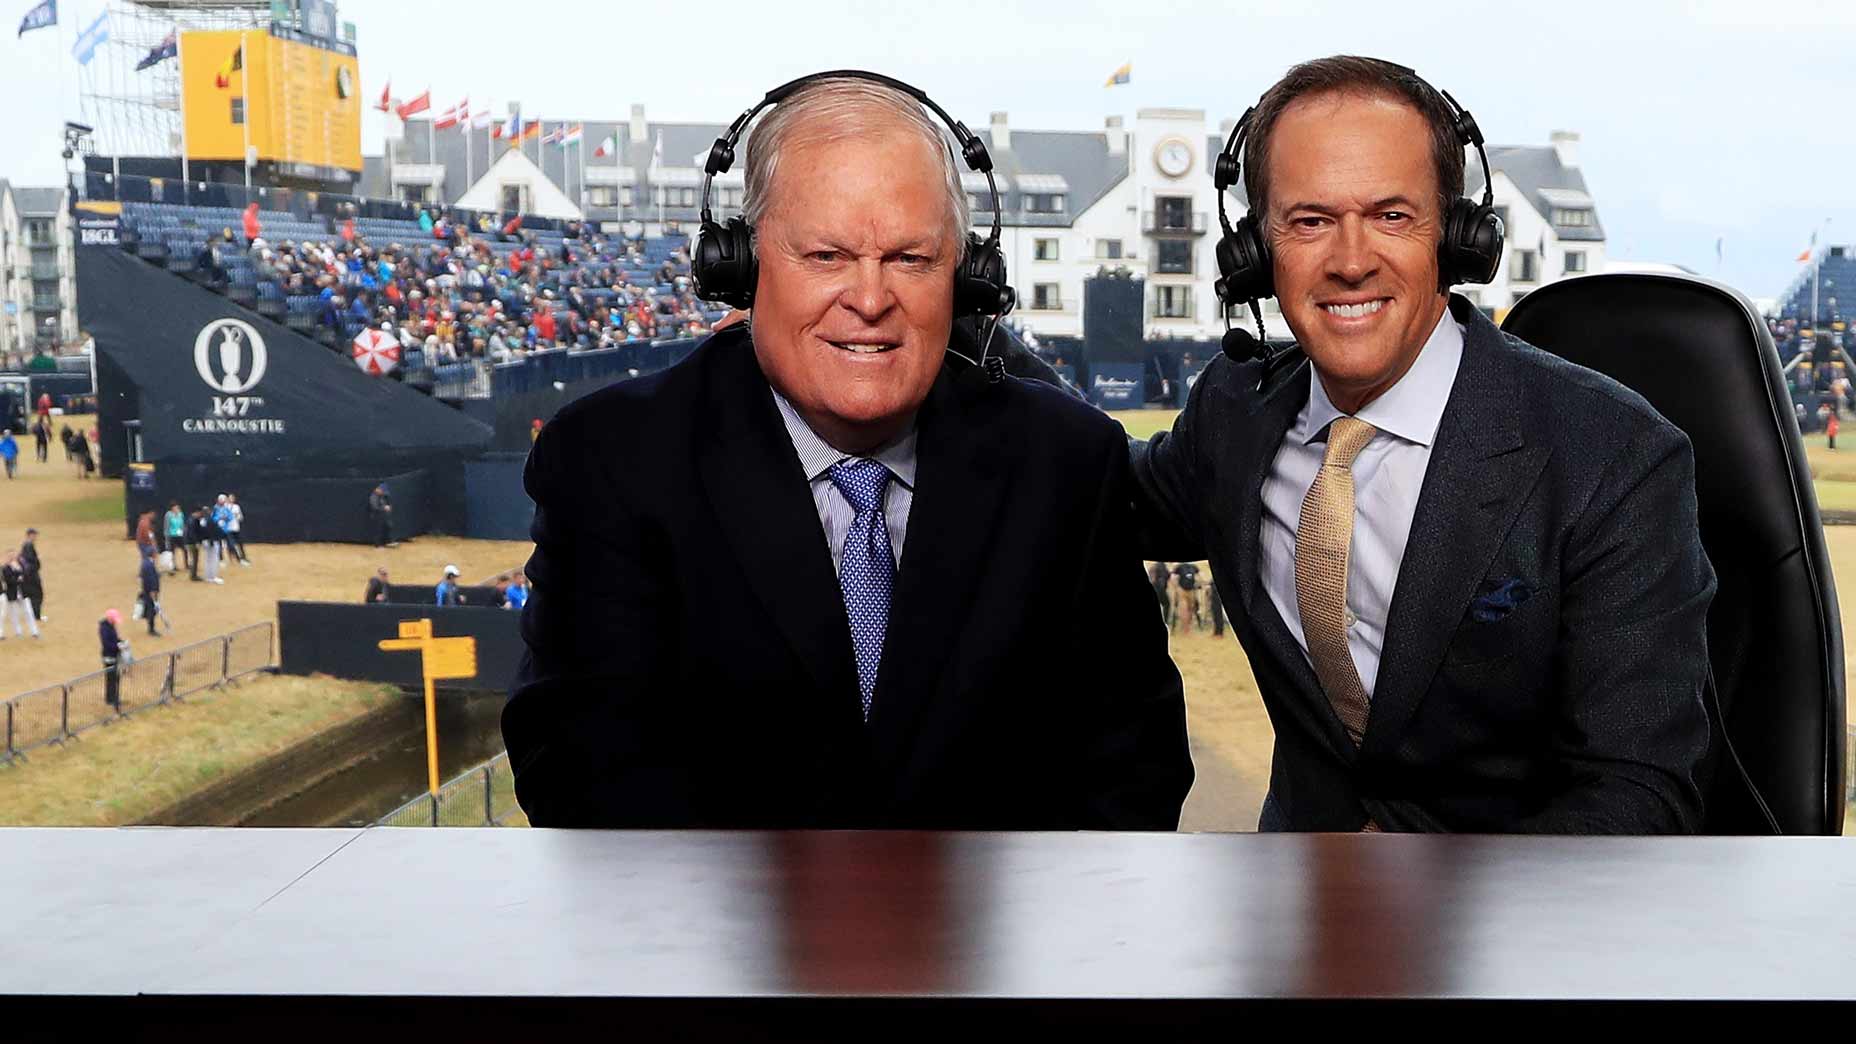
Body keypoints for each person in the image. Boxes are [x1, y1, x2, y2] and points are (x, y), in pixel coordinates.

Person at [504, 73, 1192, 830]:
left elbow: (1134, 768)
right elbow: (580, 771)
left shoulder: (1066, 464)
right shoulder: (613, 461)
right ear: (742, 265)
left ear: (965, 276)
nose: (869, 299)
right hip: (711, 911)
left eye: (909, 258)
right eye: (827, 255)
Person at [1131, 57, 1712, 834]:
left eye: (1392, 216)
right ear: (1254, 252)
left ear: (1458, 239)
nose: (1351, 260)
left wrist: (1430, 891)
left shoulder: (1615, 458)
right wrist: (965, 328)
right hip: (1297, 893)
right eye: (1309, 221)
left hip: (1527, 903)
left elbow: (1641, 796)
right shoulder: (1233, 413)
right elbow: (1077, 472)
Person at [0, 551, 37, 639]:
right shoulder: (5, 568)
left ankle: (34, 631)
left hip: (23, 593)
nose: (12, 557)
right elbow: (9, 580)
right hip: (12, 594)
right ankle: (18, 632)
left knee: (28, 612)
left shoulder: (21, 566)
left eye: (13, 555)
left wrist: (19, 571)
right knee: (14, 614)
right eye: (10, 556)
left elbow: (26, 576)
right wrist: (18, 576)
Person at [99, 609, 125, 711]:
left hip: (114, 655)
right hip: (109, 656)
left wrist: (121, 641)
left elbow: (114, 638)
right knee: (111, 678)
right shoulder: (104, 629)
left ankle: (114, 696)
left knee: (115, 677)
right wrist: (117, 647)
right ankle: (110, 698)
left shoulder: (111, 626)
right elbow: (106, 643)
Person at [18, 528, 44, 625]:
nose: (36, 536)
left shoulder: (26, 545)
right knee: (37, 595)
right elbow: (30, 560)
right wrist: (37, 560)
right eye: (34, 534)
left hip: (28, 575)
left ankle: (33, 615)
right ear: (29, 535)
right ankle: (36, 616)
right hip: (31, 576)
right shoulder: (28, 545)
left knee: (32, 595)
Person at [138, 548, 163, 637]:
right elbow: (150, 579)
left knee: (152, 608)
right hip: (150, 591)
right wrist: (153, 590)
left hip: (148, 590)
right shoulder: (148, 564)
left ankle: (151, 627)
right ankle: (151, 629)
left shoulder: (146, 563)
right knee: (152, 609)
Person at [222, 494, 249, 565]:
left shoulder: (237, 507)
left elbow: (241, 517)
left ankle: (243, 558)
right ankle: (237, 558)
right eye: (230, 498)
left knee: (240, 544)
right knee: (231, 544)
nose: (231, 499)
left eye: (233, 498)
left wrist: (236, 517)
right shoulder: (225, 507)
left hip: (236, 528)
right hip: (228, 529)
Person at [162, 502, 186, 575]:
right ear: (172, 508)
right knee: (172, 552)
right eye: (175, 507)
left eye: (178, 508)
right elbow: (166, 525)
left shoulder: (181, 514)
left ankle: (186, 564)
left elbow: (182, 524)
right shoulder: (168, 515)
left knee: (185, 550)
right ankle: (173, 566)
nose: (177, 509)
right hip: (171, 536)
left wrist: (183, 532)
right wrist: (167, 536)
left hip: (180, 535)